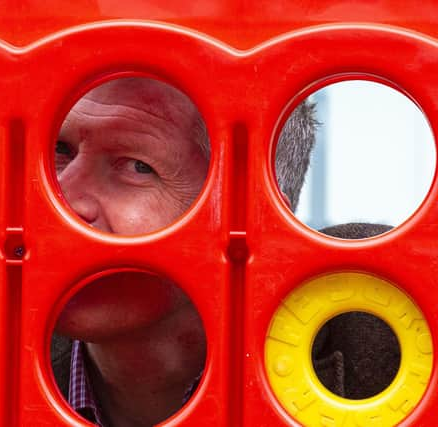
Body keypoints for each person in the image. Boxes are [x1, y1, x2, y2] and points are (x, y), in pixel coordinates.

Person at [50, 77, 316, 427]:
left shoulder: (381, 351)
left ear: (256, 218)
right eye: (61, 150)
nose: (59, 201)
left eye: (137, 166)